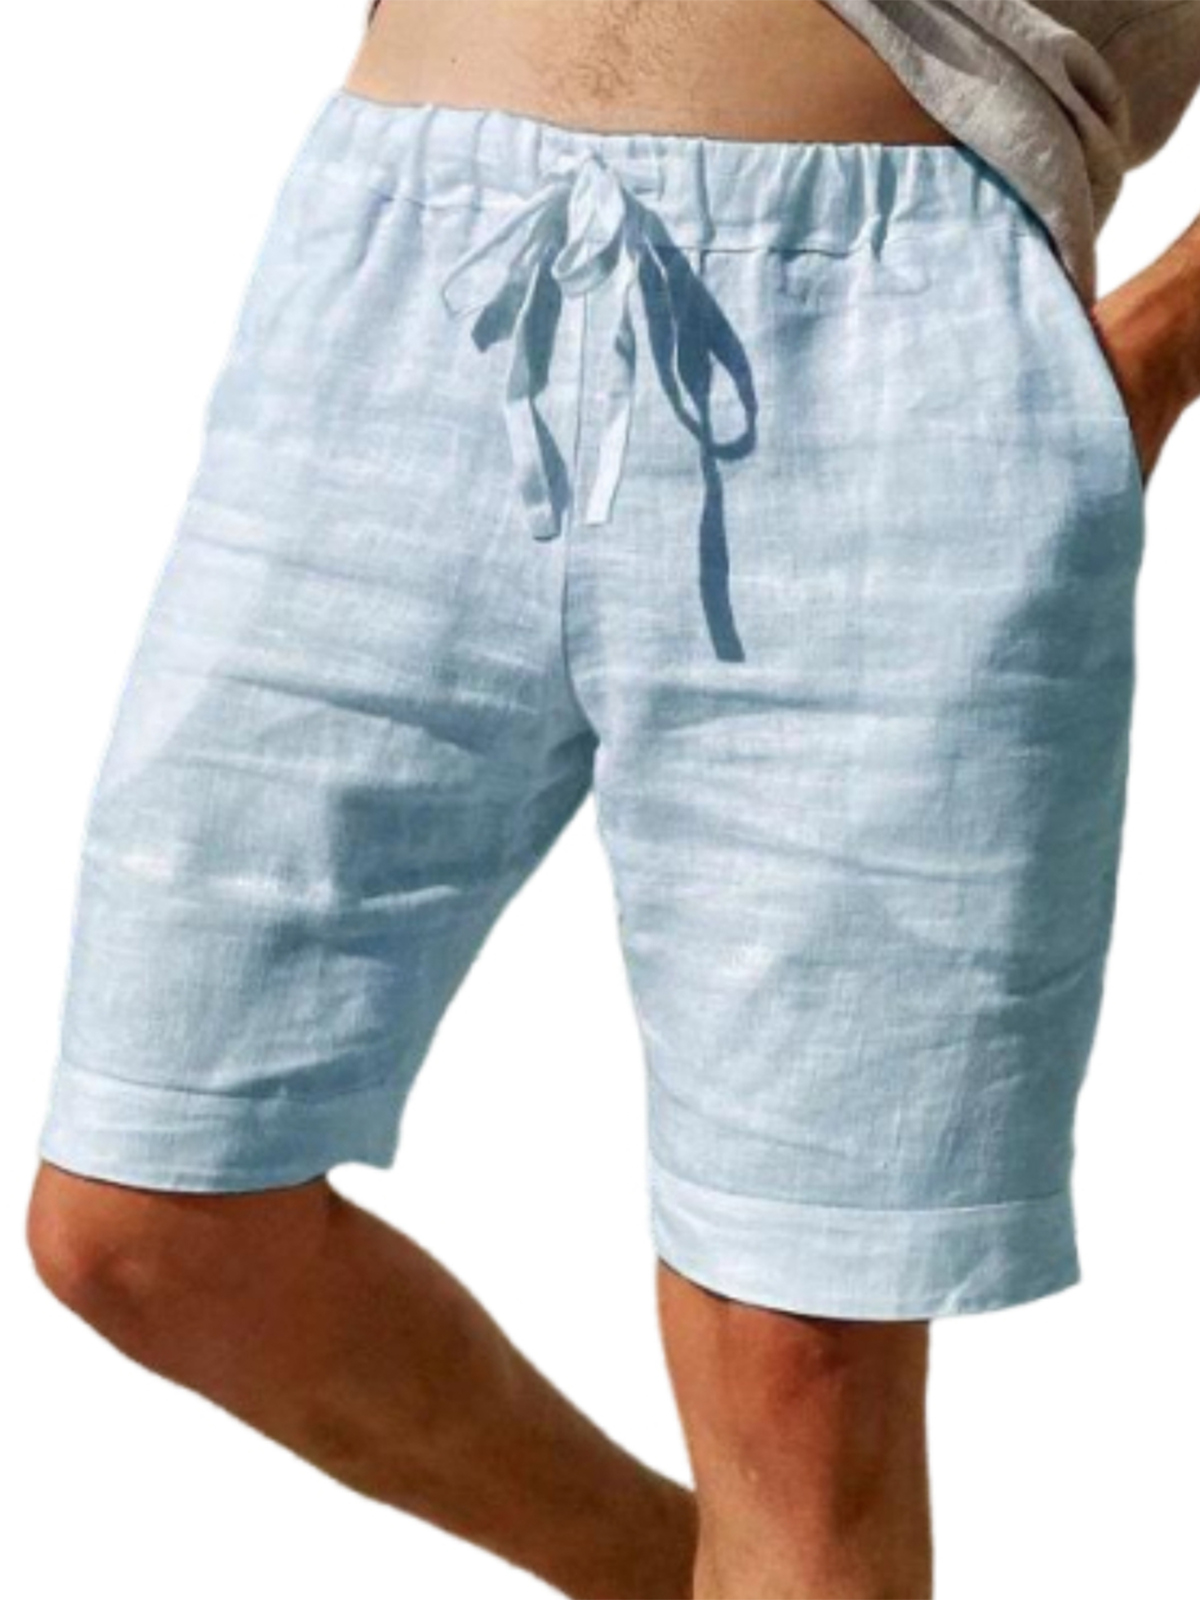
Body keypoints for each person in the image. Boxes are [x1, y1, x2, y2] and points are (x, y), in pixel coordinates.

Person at [25, 3, 1200, 1596]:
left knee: (798, 1354)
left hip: (895, 318)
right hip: (403, 264)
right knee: (147, 1219)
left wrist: (1153, 349)